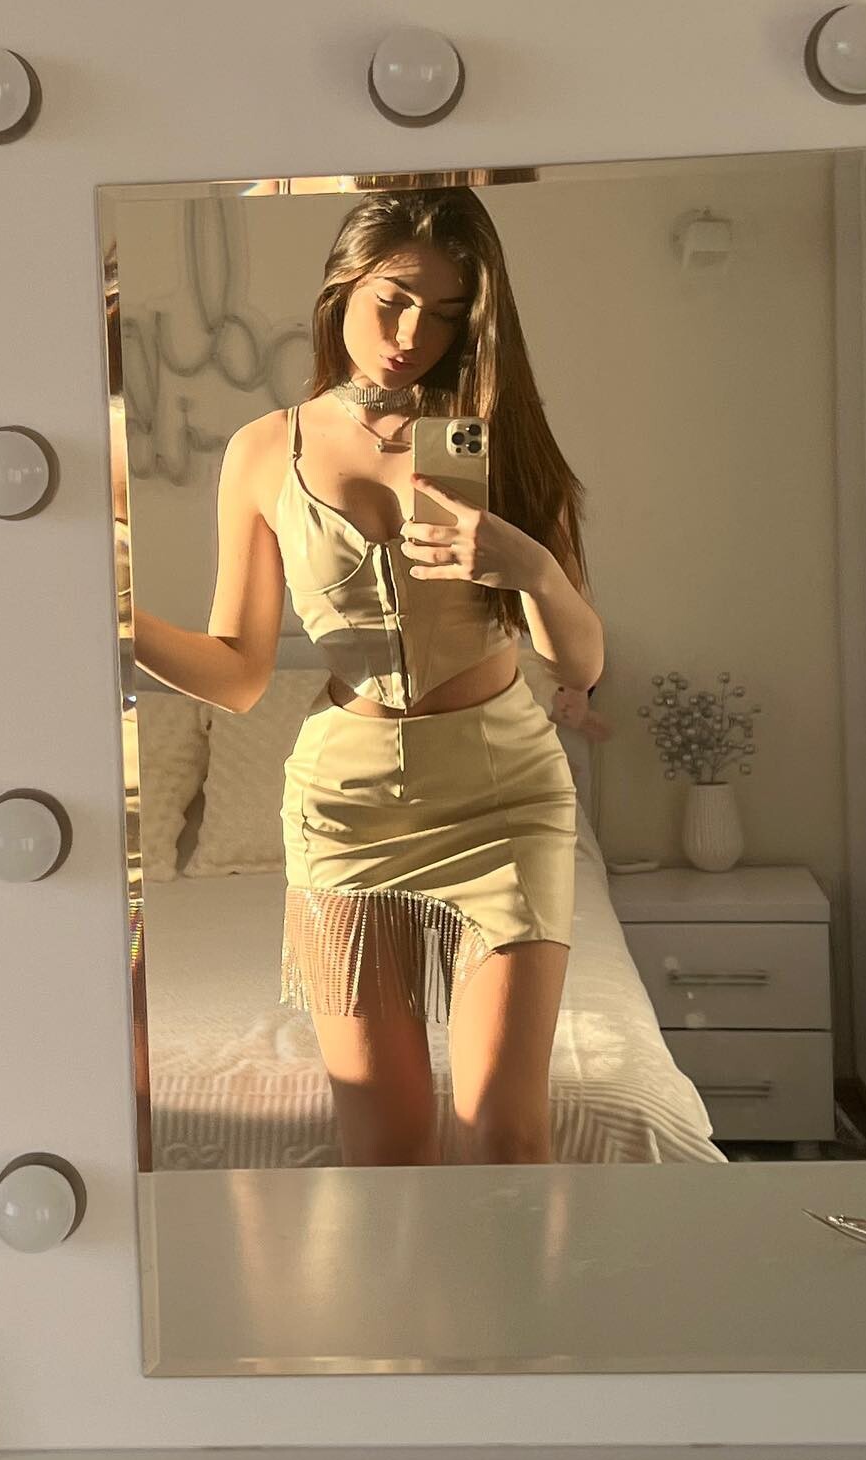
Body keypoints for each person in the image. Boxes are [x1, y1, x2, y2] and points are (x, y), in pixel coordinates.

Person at [133, 187, 603, 1167]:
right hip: (346, 802)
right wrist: (118, 619)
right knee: (383, 1147)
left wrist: (530, 568)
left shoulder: (500, 429)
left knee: (508, 1135)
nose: (412, 335)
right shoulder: (266, 450)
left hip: (504, 791)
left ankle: (514, 1279)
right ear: (341, 287)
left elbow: (581, 663)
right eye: (393, 300)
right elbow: (239, 673)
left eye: (445, 314)